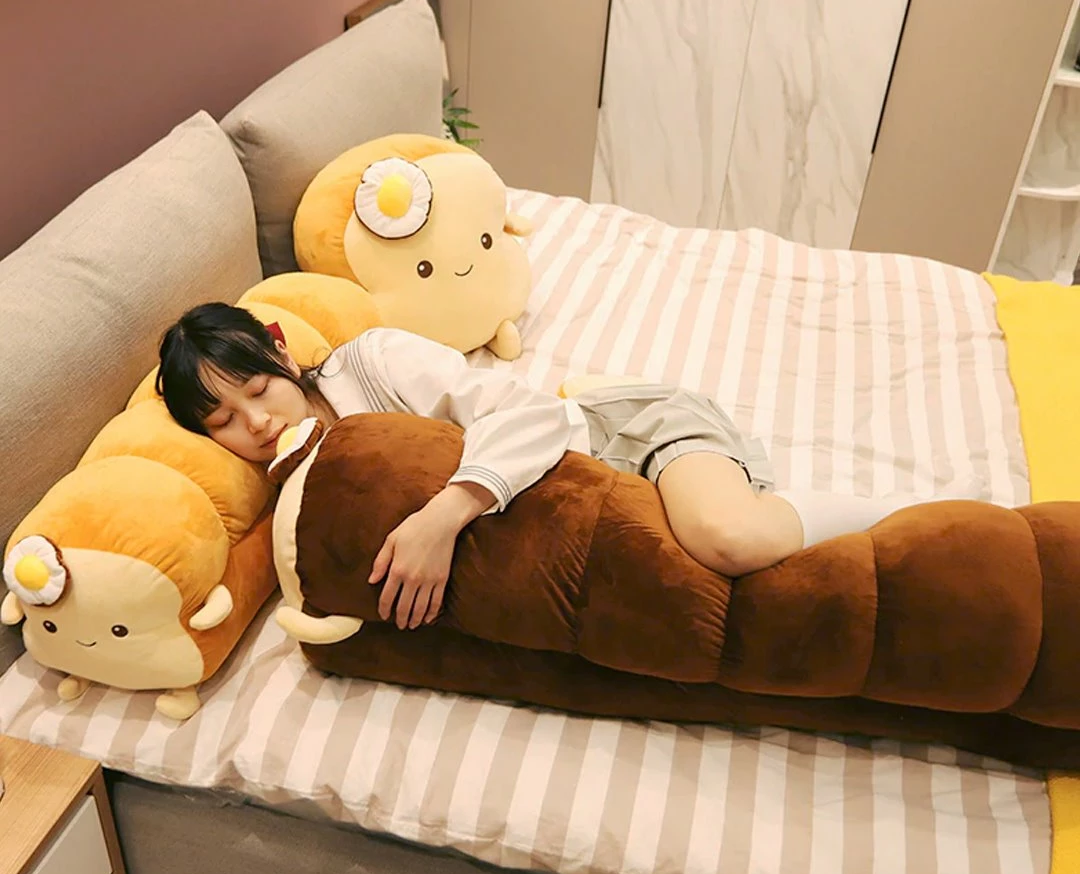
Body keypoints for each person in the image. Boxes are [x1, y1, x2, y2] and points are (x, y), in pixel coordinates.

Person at [157, 303, 975, 630]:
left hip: (623, 440)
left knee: (728, 543)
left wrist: (446, 513)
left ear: (279, 352)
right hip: (578, 522)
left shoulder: (372, 362)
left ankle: (925, 515)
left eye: (257, 389)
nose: (256, 423)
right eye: (221, 421)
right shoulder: (286, 477)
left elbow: (529, 413)